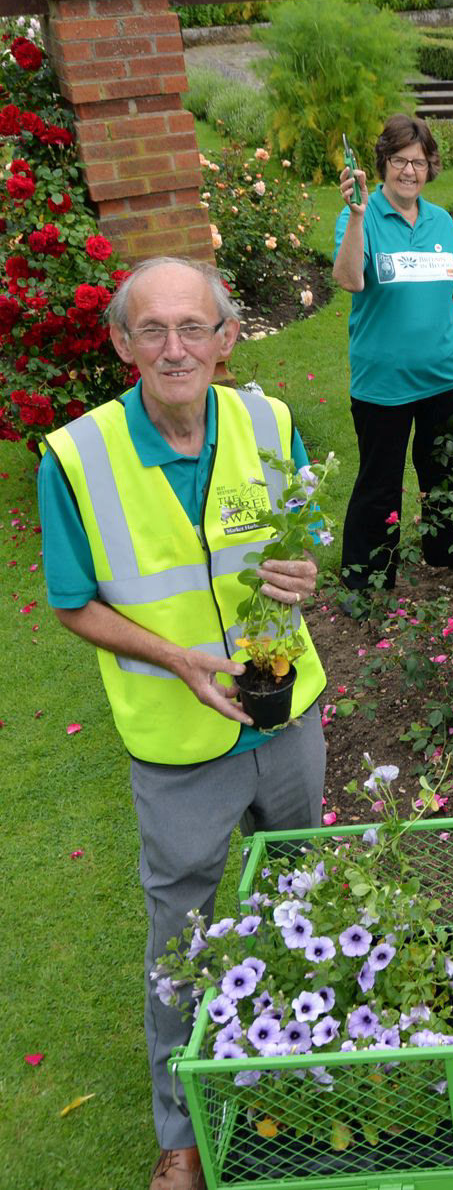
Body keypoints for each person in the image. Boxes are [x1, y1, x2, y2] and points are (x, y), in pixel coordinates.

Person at [37, 258, 328, 1190]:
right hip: (176, 742)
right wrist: (173, 657)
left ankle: (320, 1061)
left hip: (286, 717)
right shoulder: (75, 458)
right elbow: (73, 602)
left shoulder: (269, 420)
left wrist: (303, 574)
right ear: (122, 343)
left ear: (226, 337)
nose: (175, 348)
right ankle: (185, 1128)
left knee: (308, 894)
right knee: (183, 941)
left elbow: (296, 540)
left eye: (193, 327)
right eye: (152, 330)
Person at [334, 113, 453, 601]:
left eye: (419, 162)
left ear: (430, 168)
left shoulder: (441, 221)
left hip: (442, 378)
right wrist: (358, 217)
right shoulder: (359, 216)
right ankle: (366, 576)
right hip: (384, 384)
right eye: (400, 160)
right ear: (382, 163)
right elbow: (349, 280)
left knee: (441, 470)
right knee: (379, 483)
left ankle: (446, 549)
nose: (409, 171)